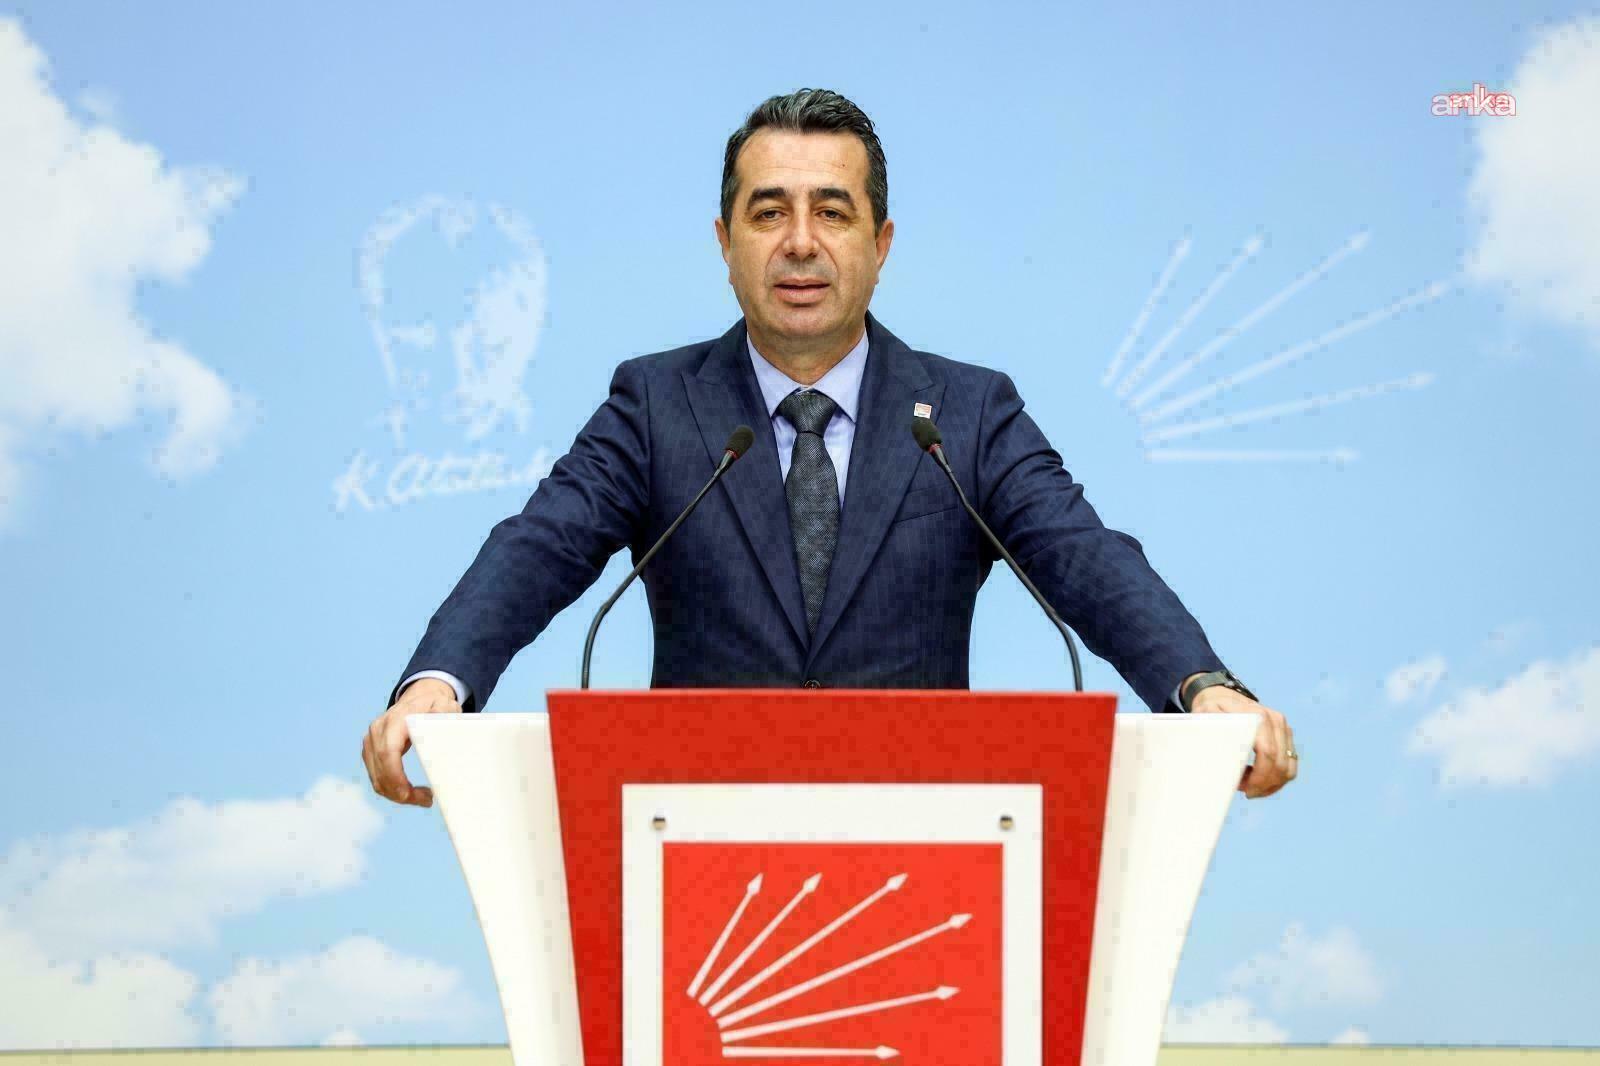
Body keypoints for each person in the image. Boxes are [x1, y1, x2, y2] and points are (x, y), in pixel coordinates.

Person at [361, 88, 1298, 810]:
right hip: (691, 845)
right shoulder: (655, 406)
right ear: (725, 241)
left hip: (931, 842)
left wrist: (1203, 689)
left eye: (833, 213)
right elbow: (540, 545)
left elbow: (1084, 557)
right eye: (769, 212)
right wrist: (439, 684)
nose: (800, 244)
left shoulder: (966, 414)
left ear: (880, 243)